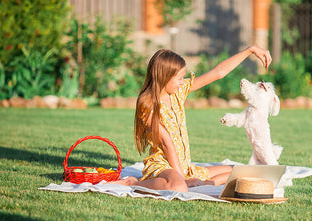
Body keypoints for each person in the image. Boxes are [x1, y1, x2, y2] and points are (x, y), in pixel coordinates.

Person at [109, 45, 272, 192]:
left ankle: (204, 184)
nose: (182, 82)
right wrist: (184, 179)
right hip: (162, 166)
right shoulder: (148, 103)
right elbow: (167, 144)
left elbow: (218, 73)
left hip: (185, 167)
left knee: (240, 170)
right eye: (179, 78)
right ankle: (132, 183)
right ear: (164, 76)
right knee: (179, 187)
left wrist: (250, 50)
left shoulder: (178, 93)